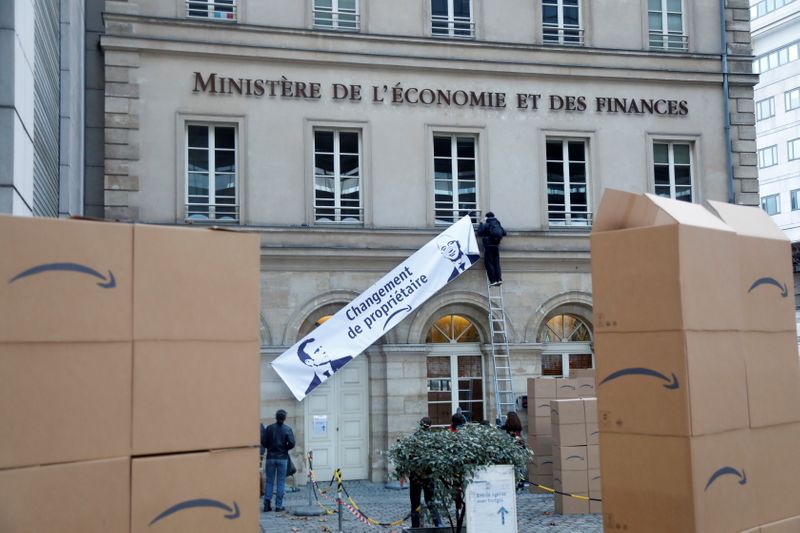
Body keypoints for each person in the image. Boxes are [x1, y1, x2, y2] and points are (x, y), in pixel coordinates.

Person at [409, 417, 442, 528]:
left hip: (415, 474)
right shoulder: (432, 439)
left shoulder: (414, 438)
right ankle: (438, 523)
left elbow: (409, 457)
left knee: (415, 503)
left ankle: (415, 527)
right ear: (430, 427)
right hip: (428, 474)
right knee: (430, 500)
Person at [261, 409, 296, 512]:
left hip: (270, 457)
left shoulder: (269, 428)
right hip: (282, 458)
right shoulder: (287, 429)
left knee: (269, 481)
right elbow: (292, 443)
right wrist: (285, 448)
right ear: (284, 418)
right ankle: (278, 506)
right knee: (281, 482)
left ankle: (267, 504)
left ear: (276, 417)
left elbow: (263, 441)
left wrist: (270, 447)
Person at [476, 212, 506, 286]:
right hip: (496, 246)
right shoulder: (497, 224)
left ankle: (493, 281)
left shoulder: (487, 224)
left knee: (489, 263)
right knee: (496, 263)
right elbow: (504, 233)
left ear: (486, 217)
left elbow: (479, 233)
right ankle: (499, 279)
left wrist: (481, 223)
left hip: (488, 246)